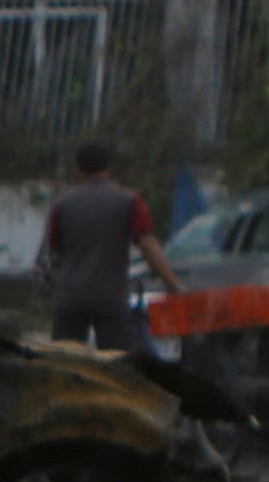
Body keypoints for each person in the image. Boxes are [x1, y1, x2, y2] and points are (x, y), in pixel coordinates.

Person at [35, 139, 181, 356]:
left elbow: (54, 249)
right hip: (110, 297)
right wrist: (172, 284)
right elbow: (147, 245)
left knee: (66, 361)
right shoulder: (128, 201)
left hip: (70, 297)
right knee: (117, 363)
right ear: (109, 167)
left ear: (78, 169)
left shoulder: (62, 205)